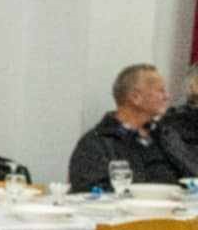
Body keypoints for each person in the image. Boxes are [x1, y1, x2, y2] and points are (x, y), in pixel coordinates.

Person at [69, 62, 198, 190]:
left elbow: (193, 175)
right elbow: (88, 192)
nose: (167, 97)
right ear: (135, 97)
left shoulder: (167, 136)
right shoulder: (96, 143)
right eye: (160, 91)